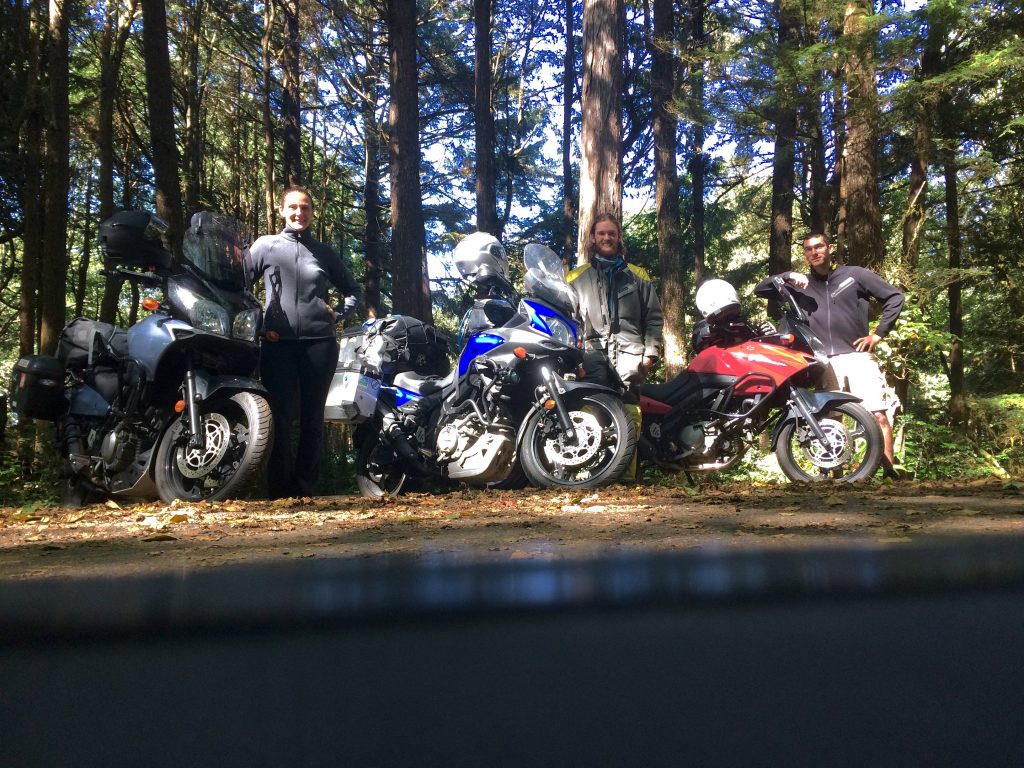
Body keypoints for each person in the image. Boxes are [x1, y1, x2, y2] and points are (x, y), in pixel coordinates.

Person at [247, 186, 362, 498]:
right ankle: (279, 491)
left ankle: (304, 489)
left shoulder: (323, 252)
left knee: (312, 418)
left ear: (313, 213)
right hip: (277, 343)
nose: (299, 213)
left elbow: (354, 290)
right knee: (279, 417)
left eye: (305, 208)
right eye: (293, 207)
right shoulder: (265, 246)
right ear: (282, 211)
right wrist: (259, 323)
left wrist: (337, 315)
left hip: (319, 344)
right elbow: (239, 286)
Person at [758, 232, 905, 478]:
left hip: (857, 356)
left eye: (818, 247)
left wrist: (878, 334)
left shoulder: (854, 275)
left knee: (877, 413)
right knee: (830, 419)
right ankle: (836, 478)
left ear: (829, 248)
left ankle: (889, 473)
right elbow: (760, 290)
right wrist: (787, 276)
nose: (814, 252)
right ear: (805, 255)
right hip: (823, 361)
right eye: (808, 249)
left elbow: (894, 297)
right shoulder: (800, 284)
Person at [567, 213, 663, 480]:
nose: (606, 238)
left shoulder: (638, 276)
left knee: (629, 412)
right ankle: (587, 474)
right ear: (593, 238)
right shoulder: (576, 278)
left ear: (618, 237)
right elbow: (569, 322)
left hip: (630, 355)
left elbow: (654, 319)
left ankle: (625, 478)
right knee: (590, 408)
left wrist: (650, 355)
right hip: (591, 355)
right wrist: (574, 360)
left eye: (611, 233)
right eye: (601, 233)